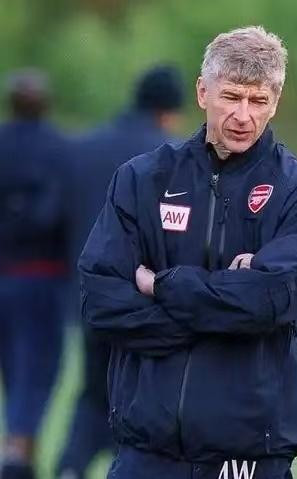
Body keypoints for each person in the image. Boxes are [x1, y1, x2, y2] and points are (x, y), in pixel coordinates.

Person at [79, 26, 297, 479]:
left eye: (258, 100)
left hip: (249, 457)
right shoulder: (142, 179)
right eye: (231, 96)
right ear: (202, 92)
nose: (243, 115)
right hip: (146, 453)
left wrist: (162, 285)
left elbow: (271, 299)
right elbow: (101, 300)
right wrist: (224, 316)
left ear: (275, 102)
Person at [56, 64, 185, 479]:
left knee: (93, 391)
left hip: (90, 296)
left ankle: (71, 466)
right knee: (136, 397)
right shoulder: (172, 157)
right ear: (168, 110)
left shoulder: (83, 148)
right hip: (145, 302)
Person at [0, 69, 70, 479]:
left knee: (14, 369)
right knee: (37, 369)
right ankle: (18, 455)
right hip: (42, 277)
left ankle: (19, 450)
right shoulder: (59, 149)